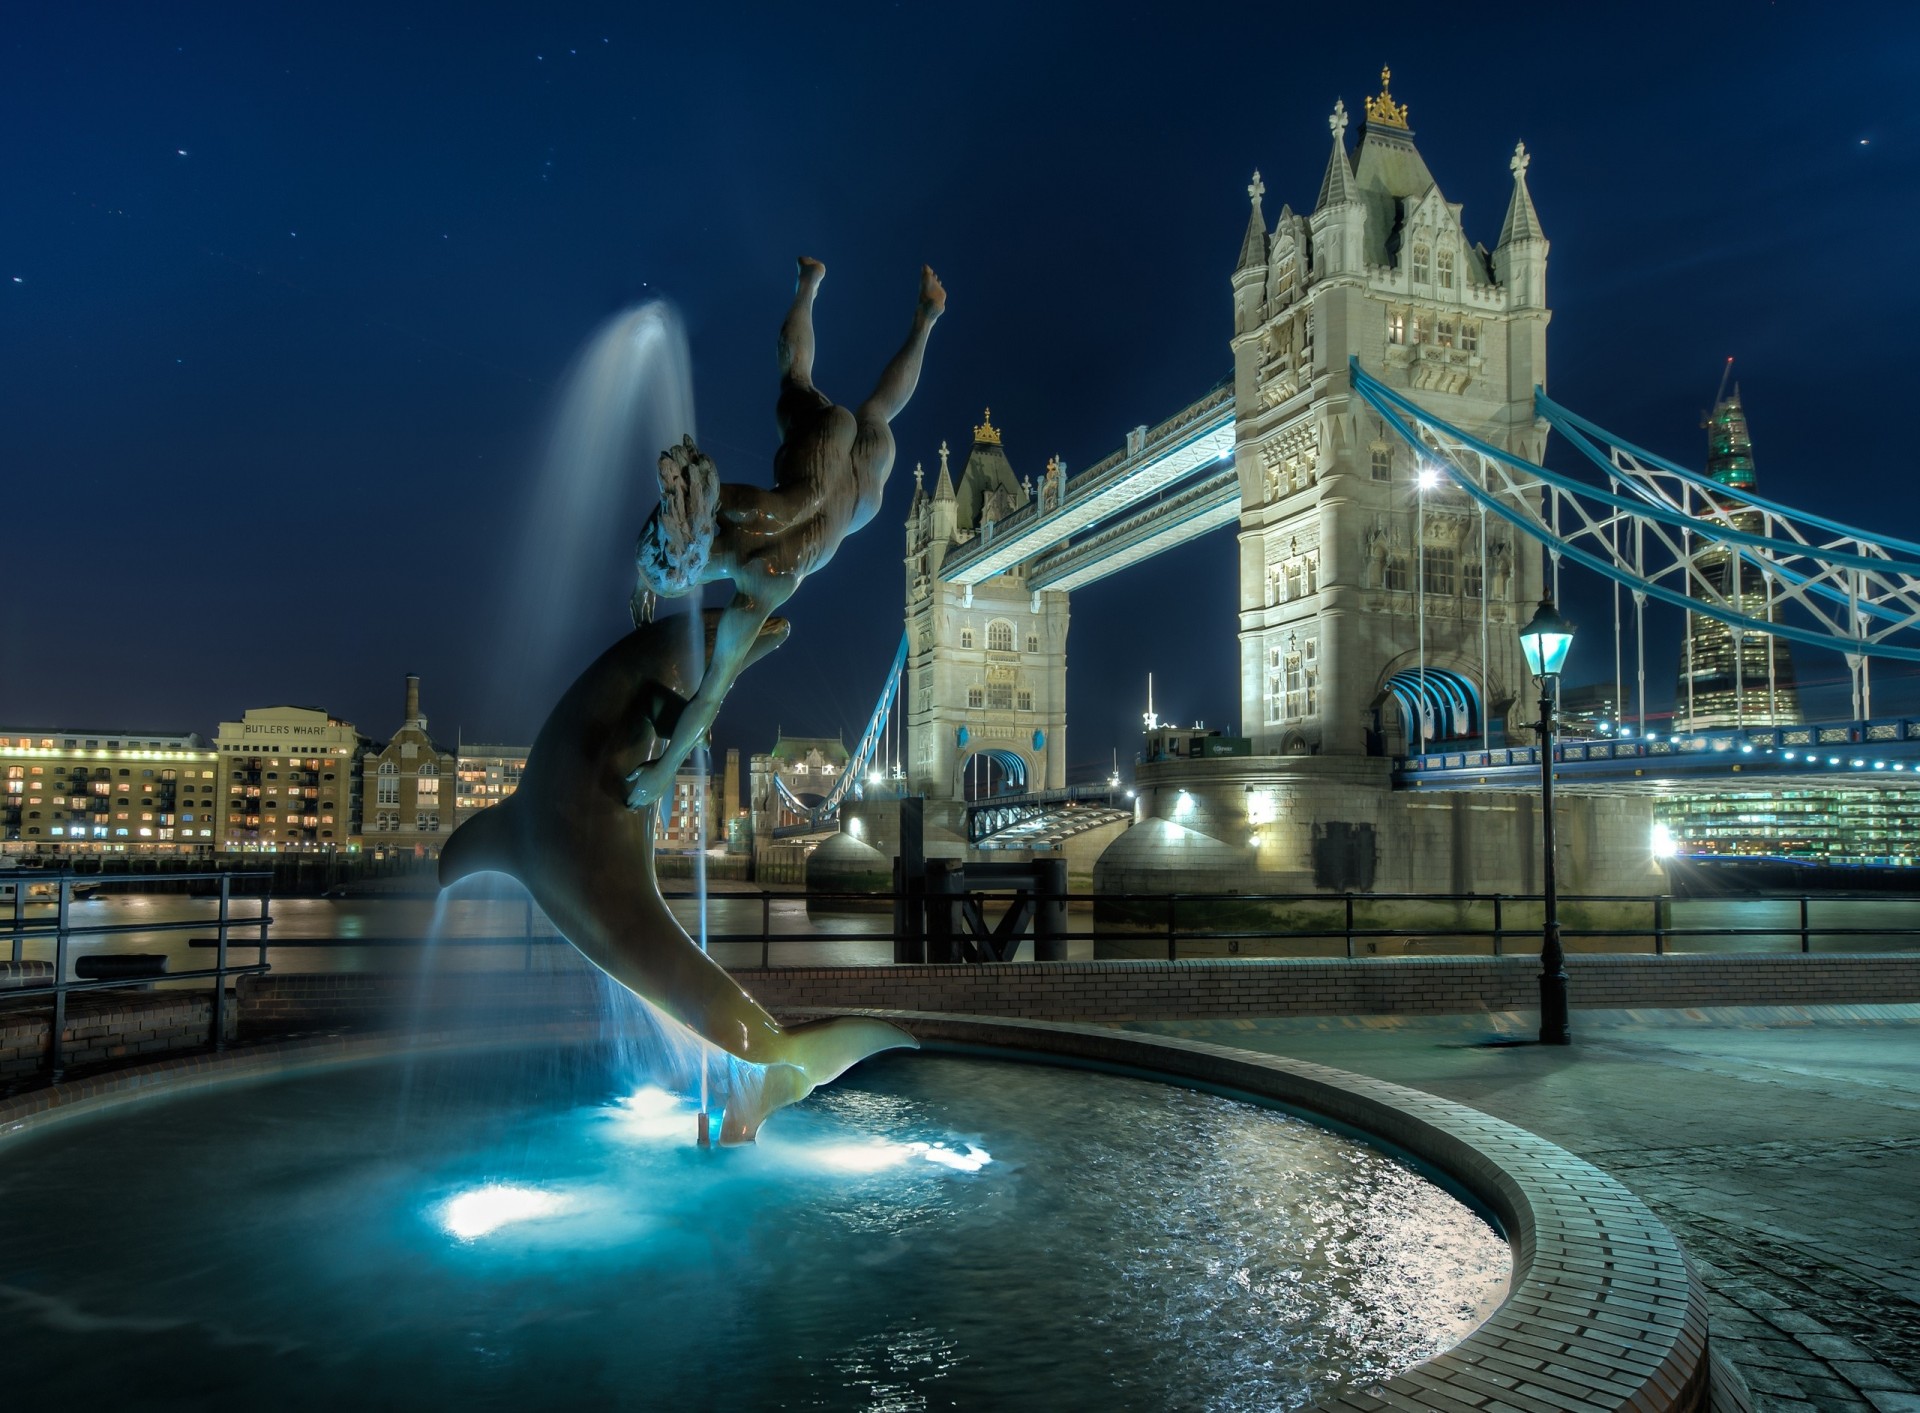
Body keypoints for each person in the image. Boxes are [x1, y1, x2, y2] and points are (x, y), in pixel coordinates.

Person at [627, 258, 945, 810]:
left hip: (858, 496)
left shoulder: (757, 591)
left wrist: (663, 771)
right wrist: (650, 566)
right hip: (819, 457)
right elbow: (700, 503)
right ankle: (813, 283)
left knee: (877, 411)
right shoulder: (736, 520)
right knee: (795, 381)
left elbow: (709, 695)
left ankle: (922, 320)